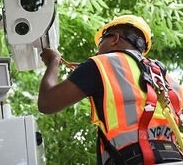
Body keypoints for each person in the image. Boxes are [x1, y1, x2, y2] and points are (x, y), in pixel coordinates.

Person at [38, 15, 183, 165]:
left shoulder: (100, 64)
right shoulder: (167, 79)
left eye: (100, 43)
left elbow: (47, 103)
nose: (96, 52)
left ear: (114, 39)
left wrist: (53, 62)